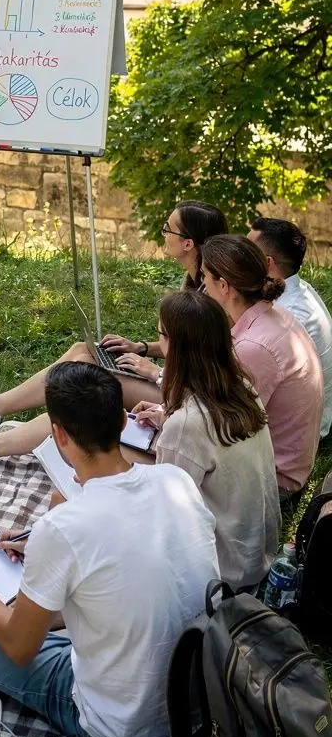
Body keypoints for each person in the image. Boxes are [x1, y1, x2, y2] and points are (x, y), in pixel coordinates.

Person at [0, 363, 219, 737]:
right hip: (195, 704)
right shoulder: (174, 481)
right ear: (122, 422)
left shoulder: (62, 528)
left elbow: (19, 646)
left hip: (118, 725)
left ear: (58, 435)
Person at [0, 198, 228, 475]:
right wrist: (142, 348)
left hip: (184, 392)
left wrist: (157, 373)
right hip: (178, 387)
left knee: (85, 382)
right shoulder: (197, 282)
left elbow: (206, 369)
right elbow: (186, 345)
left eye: (168, 229)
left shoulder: (211, 297)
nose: (163, 233)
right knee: (83, 350)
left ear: (188, 243)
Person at [132, 291, 280, 591]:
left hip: (222, 573)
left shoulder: (187, 425)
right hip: (257, 553)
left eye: (160, 334)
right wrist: (166, 417)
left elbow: (167, 516)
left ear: (173, 344)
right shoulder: (242, 387)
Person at [201, 234, 323, 500]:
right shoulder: (275, 315)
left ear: (224, 286)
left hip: (272, 479)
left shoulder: (255, 347)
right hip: (280, 463)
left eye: (205, 278)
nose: (203, 285)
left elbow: (220, 425)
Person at [248, 217, 332, 439]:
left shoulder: (290, 315)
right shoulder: (297, 291)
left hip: (296, 434)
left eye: (248, 252)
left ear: (267, 264)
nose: (241, 256)